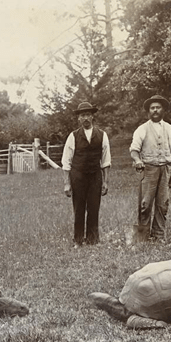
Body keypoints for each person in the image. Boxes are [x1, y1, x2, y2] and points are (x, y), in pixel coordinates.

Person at [129, 95, 171, 242]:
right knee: (145, 204)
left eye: (158, 107)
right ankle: (142, 237)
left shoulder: (169, 129)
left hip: (164, 170)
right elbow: (134, 149)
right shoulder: (142, 129)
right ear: (148, 111)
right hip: (148, 170)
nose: (155, 110)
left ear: (163, 110)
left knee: (163, 204)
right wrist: (138, 160)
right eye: (152, 108)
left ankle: (158, 236)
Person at [61, 102, 111, 246]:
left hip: (95, 176)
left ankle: (93, 239)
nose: (86, 118)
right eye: (83, 115)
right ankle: (78, 240)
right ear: (78, 118)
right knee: (79, 208)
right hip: (78, 176)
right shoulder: (73, 136)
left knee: (94, 208)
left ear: (92, 116)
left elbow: (106, 161)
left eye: (88, 115)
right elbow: (66, 161)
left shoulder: (102, 135)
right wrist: (67, 183)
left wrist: (106, 181)